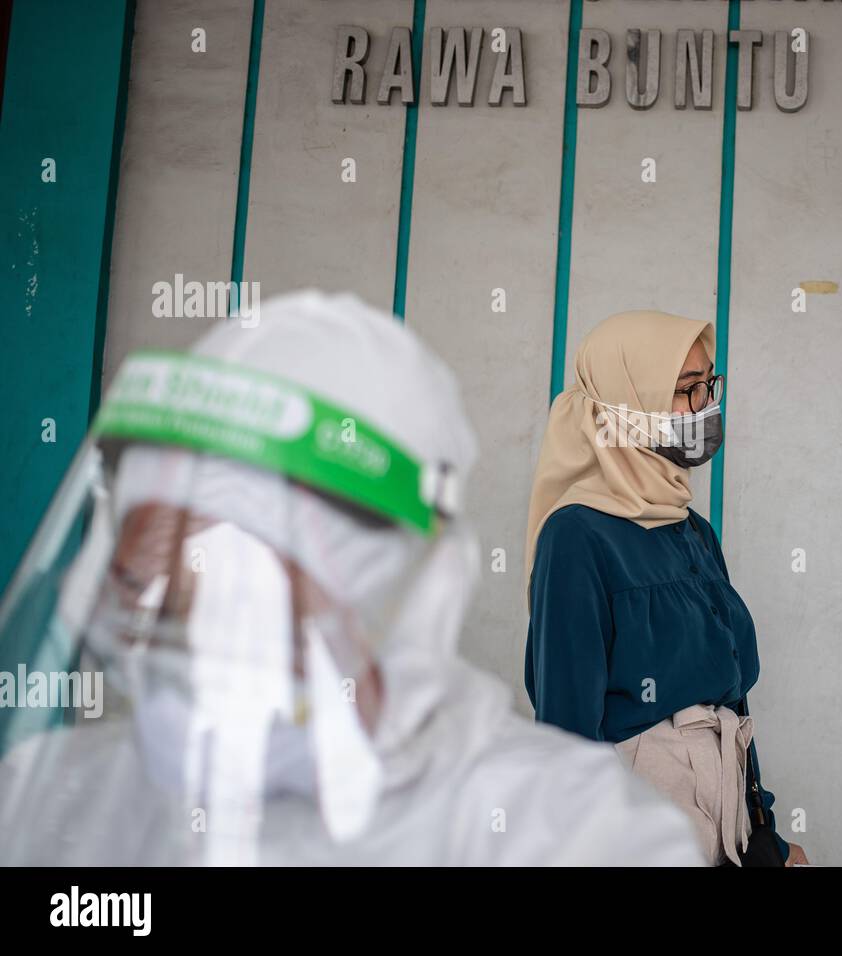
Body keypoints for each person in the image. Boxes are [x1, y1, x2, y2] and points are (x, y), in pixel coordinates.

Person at [0, 290, 705, 867]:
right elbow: (571, 704)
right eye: (147, 604)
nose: (196, 666)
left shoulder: (559, 832)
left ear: (399, 604)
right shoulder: (50, 804)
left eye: (251, 608)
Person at [524, 309, 809, 867]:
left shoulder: (693, 530)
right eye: (685, 390)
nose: (706, 405)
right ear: (624, 402)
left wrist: (765, 836)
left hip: (729, 831)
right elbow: (565, 732)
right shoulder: (576, 536)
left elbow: (731, 697)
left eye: (709, 385)